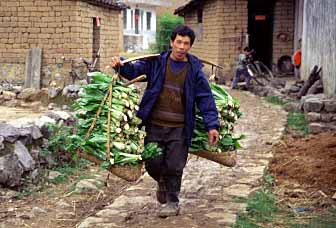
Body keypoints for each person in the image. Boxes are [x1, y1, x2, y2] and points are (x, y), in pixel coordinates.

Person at [111, 25, 219, 218]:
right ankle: (162, 180)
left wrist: (212, 125)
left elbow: (205, 98)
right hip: (155, 125)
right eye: (178, 42)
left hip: (179, 127)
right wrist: (121, 65)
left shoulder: (194, 70)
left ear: (190, 46)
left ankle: (172, 201)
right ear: (171, 42)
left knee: (175, 165)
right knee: (152, 161)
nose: (181, 47)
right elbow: (134, 70)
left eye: (186, 43)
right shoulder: (157, 63)